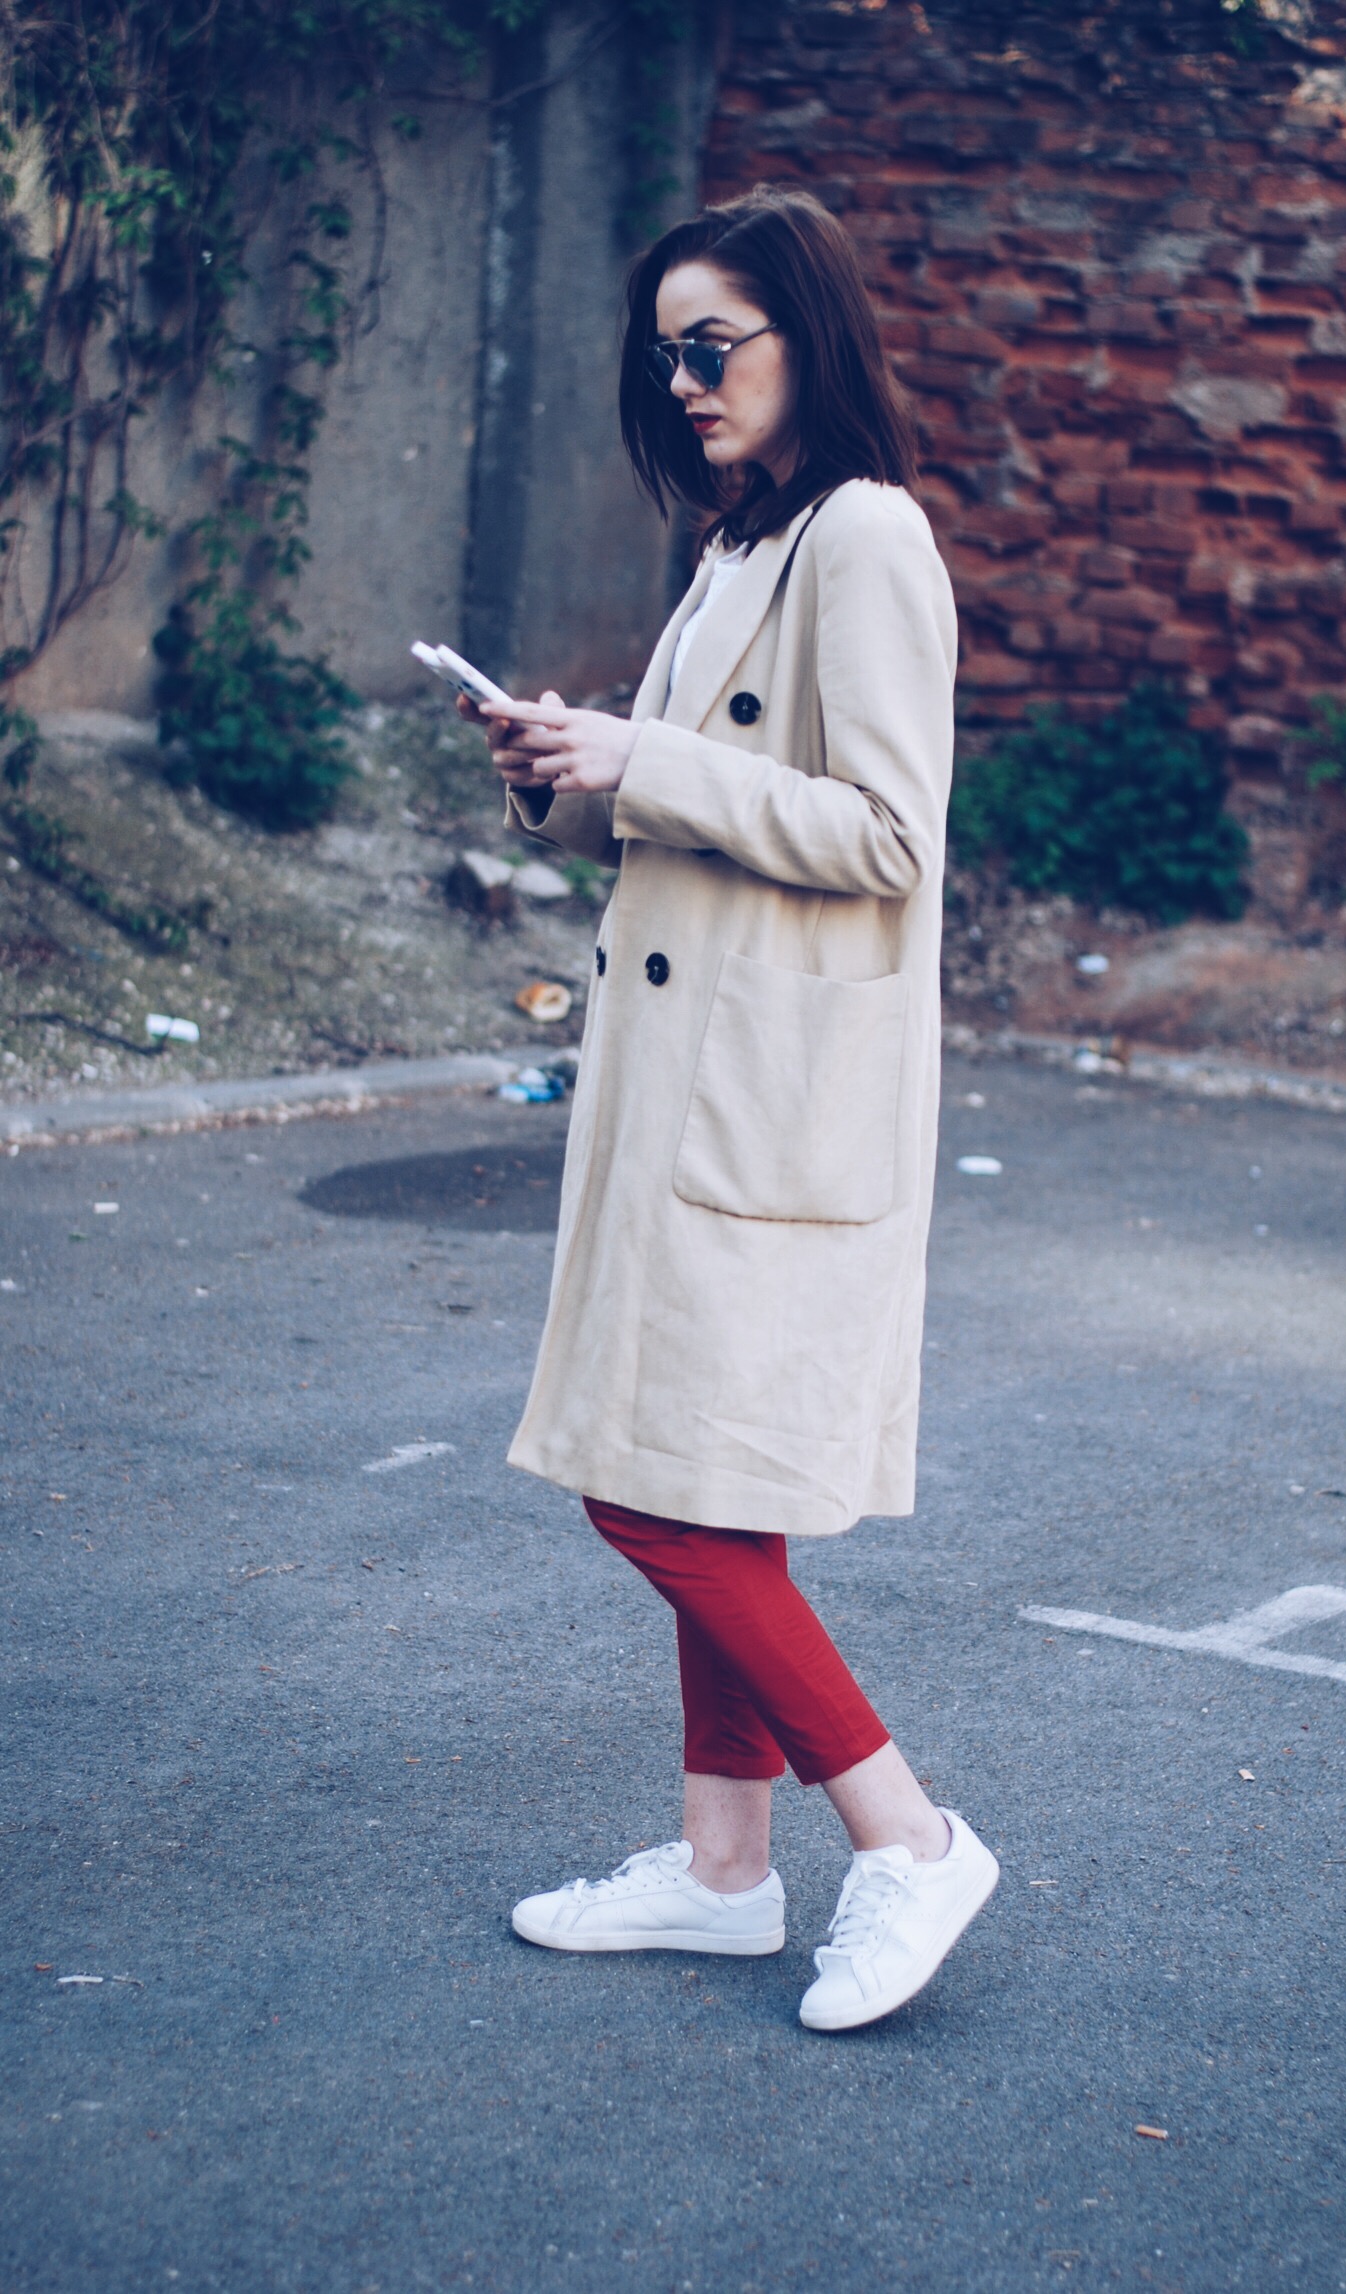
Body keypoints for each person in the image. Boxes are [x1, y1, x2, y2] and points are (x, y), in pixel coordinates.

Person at [462, 185, 997, 2033]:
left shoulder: (870, 538)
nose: (682, 381)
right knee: (699, 1486)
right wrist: (569, 770)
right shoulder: (740, 540)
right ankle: (719, 1873)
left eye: (716, 347)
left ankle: (907, 1835)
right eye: (663, 352)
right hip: (678, 1092)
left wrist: (654, 759)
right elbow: (691, 797)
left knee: (661, 1493)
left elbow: (892, 836)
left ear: (805, 339)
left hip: (769, 1105)